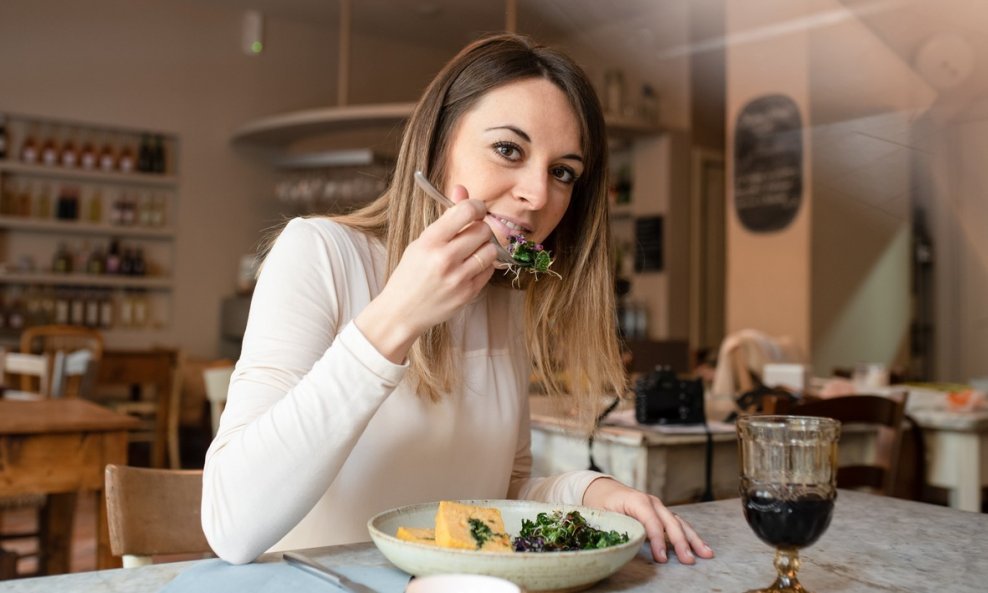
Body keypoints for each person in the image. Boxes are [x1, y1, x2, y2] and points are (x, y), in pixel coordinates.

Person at [201, 32, 713, 567]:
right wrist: (397, 316)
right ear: (438, 144)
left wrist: (589, 493)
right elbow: (232, 525)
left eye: (563, 172)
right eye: (508, 150)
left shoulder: (505, 299)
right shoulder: (320, 253)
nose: (538, 194)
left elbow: (498, 492)